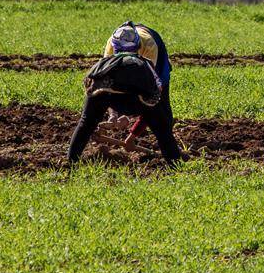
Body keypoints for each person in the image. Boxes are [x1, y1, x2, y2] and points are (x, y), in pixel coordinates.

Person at [67, 20, 183, 165]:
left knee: (164, 119)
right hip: (129, 88)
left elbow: (155, 89)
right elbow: (150, 98)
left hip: (134, 84)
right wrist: (114, 115)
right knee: (161, 126)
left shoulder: (149, 45)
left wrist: (133, 132)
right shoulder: (112, 47)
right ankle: (175, 164)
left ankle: (70, 162)